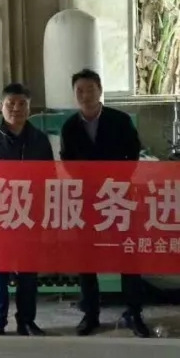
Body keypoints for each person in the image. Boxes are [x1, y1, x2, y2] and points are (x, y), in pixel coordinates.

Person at [60, 68, 151, 338]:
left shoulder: (120, 120)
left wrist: (113, 181)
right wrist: (89, 181)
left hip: (118, 196)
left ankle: (134, 313)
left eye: (90, 89)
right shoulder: (69, 127)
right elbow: (67, 162)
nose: (85, 95)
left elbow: (133, 155)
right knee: (86, 257)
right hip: (86, 198)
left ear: (100, 90)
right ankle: (91, 314)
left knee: (128, 255)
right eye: (79, 90)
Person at [0, 83, 54, 336]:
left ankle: (26, 321)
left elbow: (49, 179)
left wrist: (46, 216)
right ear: (1, 106)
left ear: (29, 109)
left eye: (22, 104)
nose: (16, 109)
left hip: (30, 217)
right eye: (11, 103)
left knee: (28, 275)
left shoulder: (40, 140)